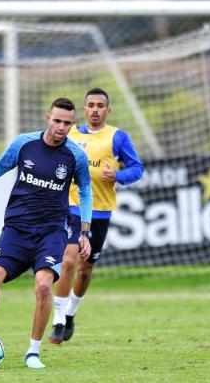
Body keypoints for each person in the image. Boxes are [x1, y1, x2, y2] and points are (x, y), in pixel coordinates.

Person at [0, 97, 92, 369]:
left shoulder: (75, 156)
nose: (61, 127)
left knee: (44, 285)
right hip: (17, 229)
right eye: (57, 120)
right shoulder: (24, 144)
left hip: (51, 231)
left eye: (67, 123)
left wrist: (84, 231)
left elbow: (85, 190)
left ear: (72, 124)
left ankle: (33, 352)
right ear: (47, 118)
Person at [48, 88, 144, 345]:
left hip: (99, 211)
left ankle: (69, 314)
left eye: (100, 105)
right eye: (90, 105)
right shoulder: (71, 134)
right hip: (69, 206)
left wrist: (118, 176)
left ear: (107, 110)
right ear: (84, 108)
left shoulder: (117, 137)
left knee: (86, 268)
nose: (94, 109)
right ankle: (57, 321)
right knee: (68, 261)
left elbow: (137, 169)